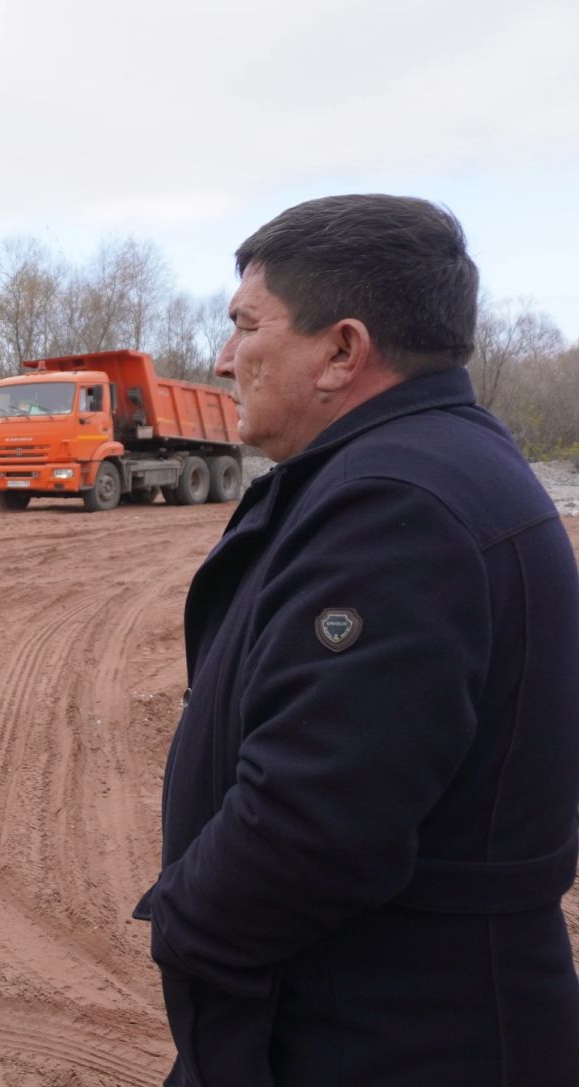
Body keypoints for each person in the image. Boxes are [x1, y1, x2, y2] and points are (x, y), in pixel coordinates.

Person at [135, 194, 579, 1084]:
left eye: (245, 325)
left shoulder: (400, 506)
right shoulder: (430, 466)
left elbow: (313, 823)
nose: (223, 359)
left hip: (386, 1036)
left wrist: (183, 920)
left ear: (342, 349)